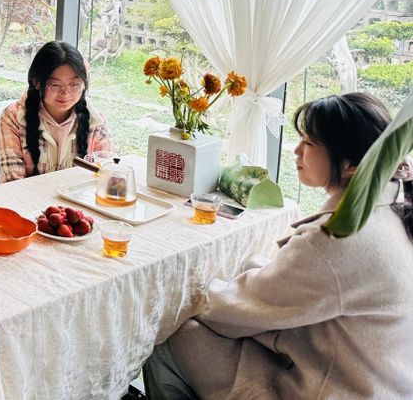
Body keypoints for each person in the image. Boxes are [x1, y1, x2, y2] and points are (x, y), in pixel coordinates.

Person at [144, 92, 413, 399]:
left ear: (350, 164)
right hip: (383, 381)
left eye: (309, 143)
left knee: (169, 332)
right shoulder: (395, 208)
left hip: (332, 387)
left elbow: (234, 311)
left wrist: (187, 294)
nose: (296, 151)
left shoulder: (337, 236)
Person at [0, 40, 113, 183]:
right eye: (55, 85)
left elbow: (107, 173)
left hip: (78, 196)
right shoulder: (13, 117)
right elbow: (12, 181)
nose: (65, 93)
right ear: (37, 82)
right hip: (26, 197)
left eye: (74, 84)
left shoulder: (95, 121)